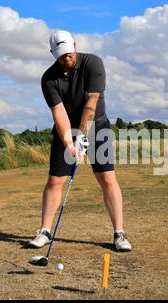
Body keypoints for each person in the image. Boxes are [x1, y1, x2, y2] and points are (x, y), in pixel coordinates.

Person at [28, 30, 132, 252]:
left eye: (69, 52)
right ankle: (45, 231)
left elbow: (91, 104)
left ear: (74, 45)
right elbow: (59, 113)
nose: (67, 58)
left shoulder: (93, 63)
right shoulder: (48, 78)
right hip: (65, 129)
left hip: (98, 127)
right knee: (56, 180)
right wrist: (69, 142)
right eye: (61, 55)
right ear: (52, 54)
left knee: (106, 178)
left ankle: (119, 233)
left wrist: (82, 137)